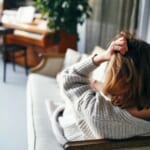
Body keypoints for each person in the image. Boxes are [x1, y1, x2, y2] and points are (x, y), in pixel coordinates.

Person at [51, 31, 150, 145]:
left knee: (61, 78)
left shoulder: (98, 114)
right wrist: (96, 84)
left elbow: (69, 78)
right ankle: (93, 83)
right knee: (94, 84)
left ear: (122, 79)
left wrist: (101, 57)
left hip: (75, 117)